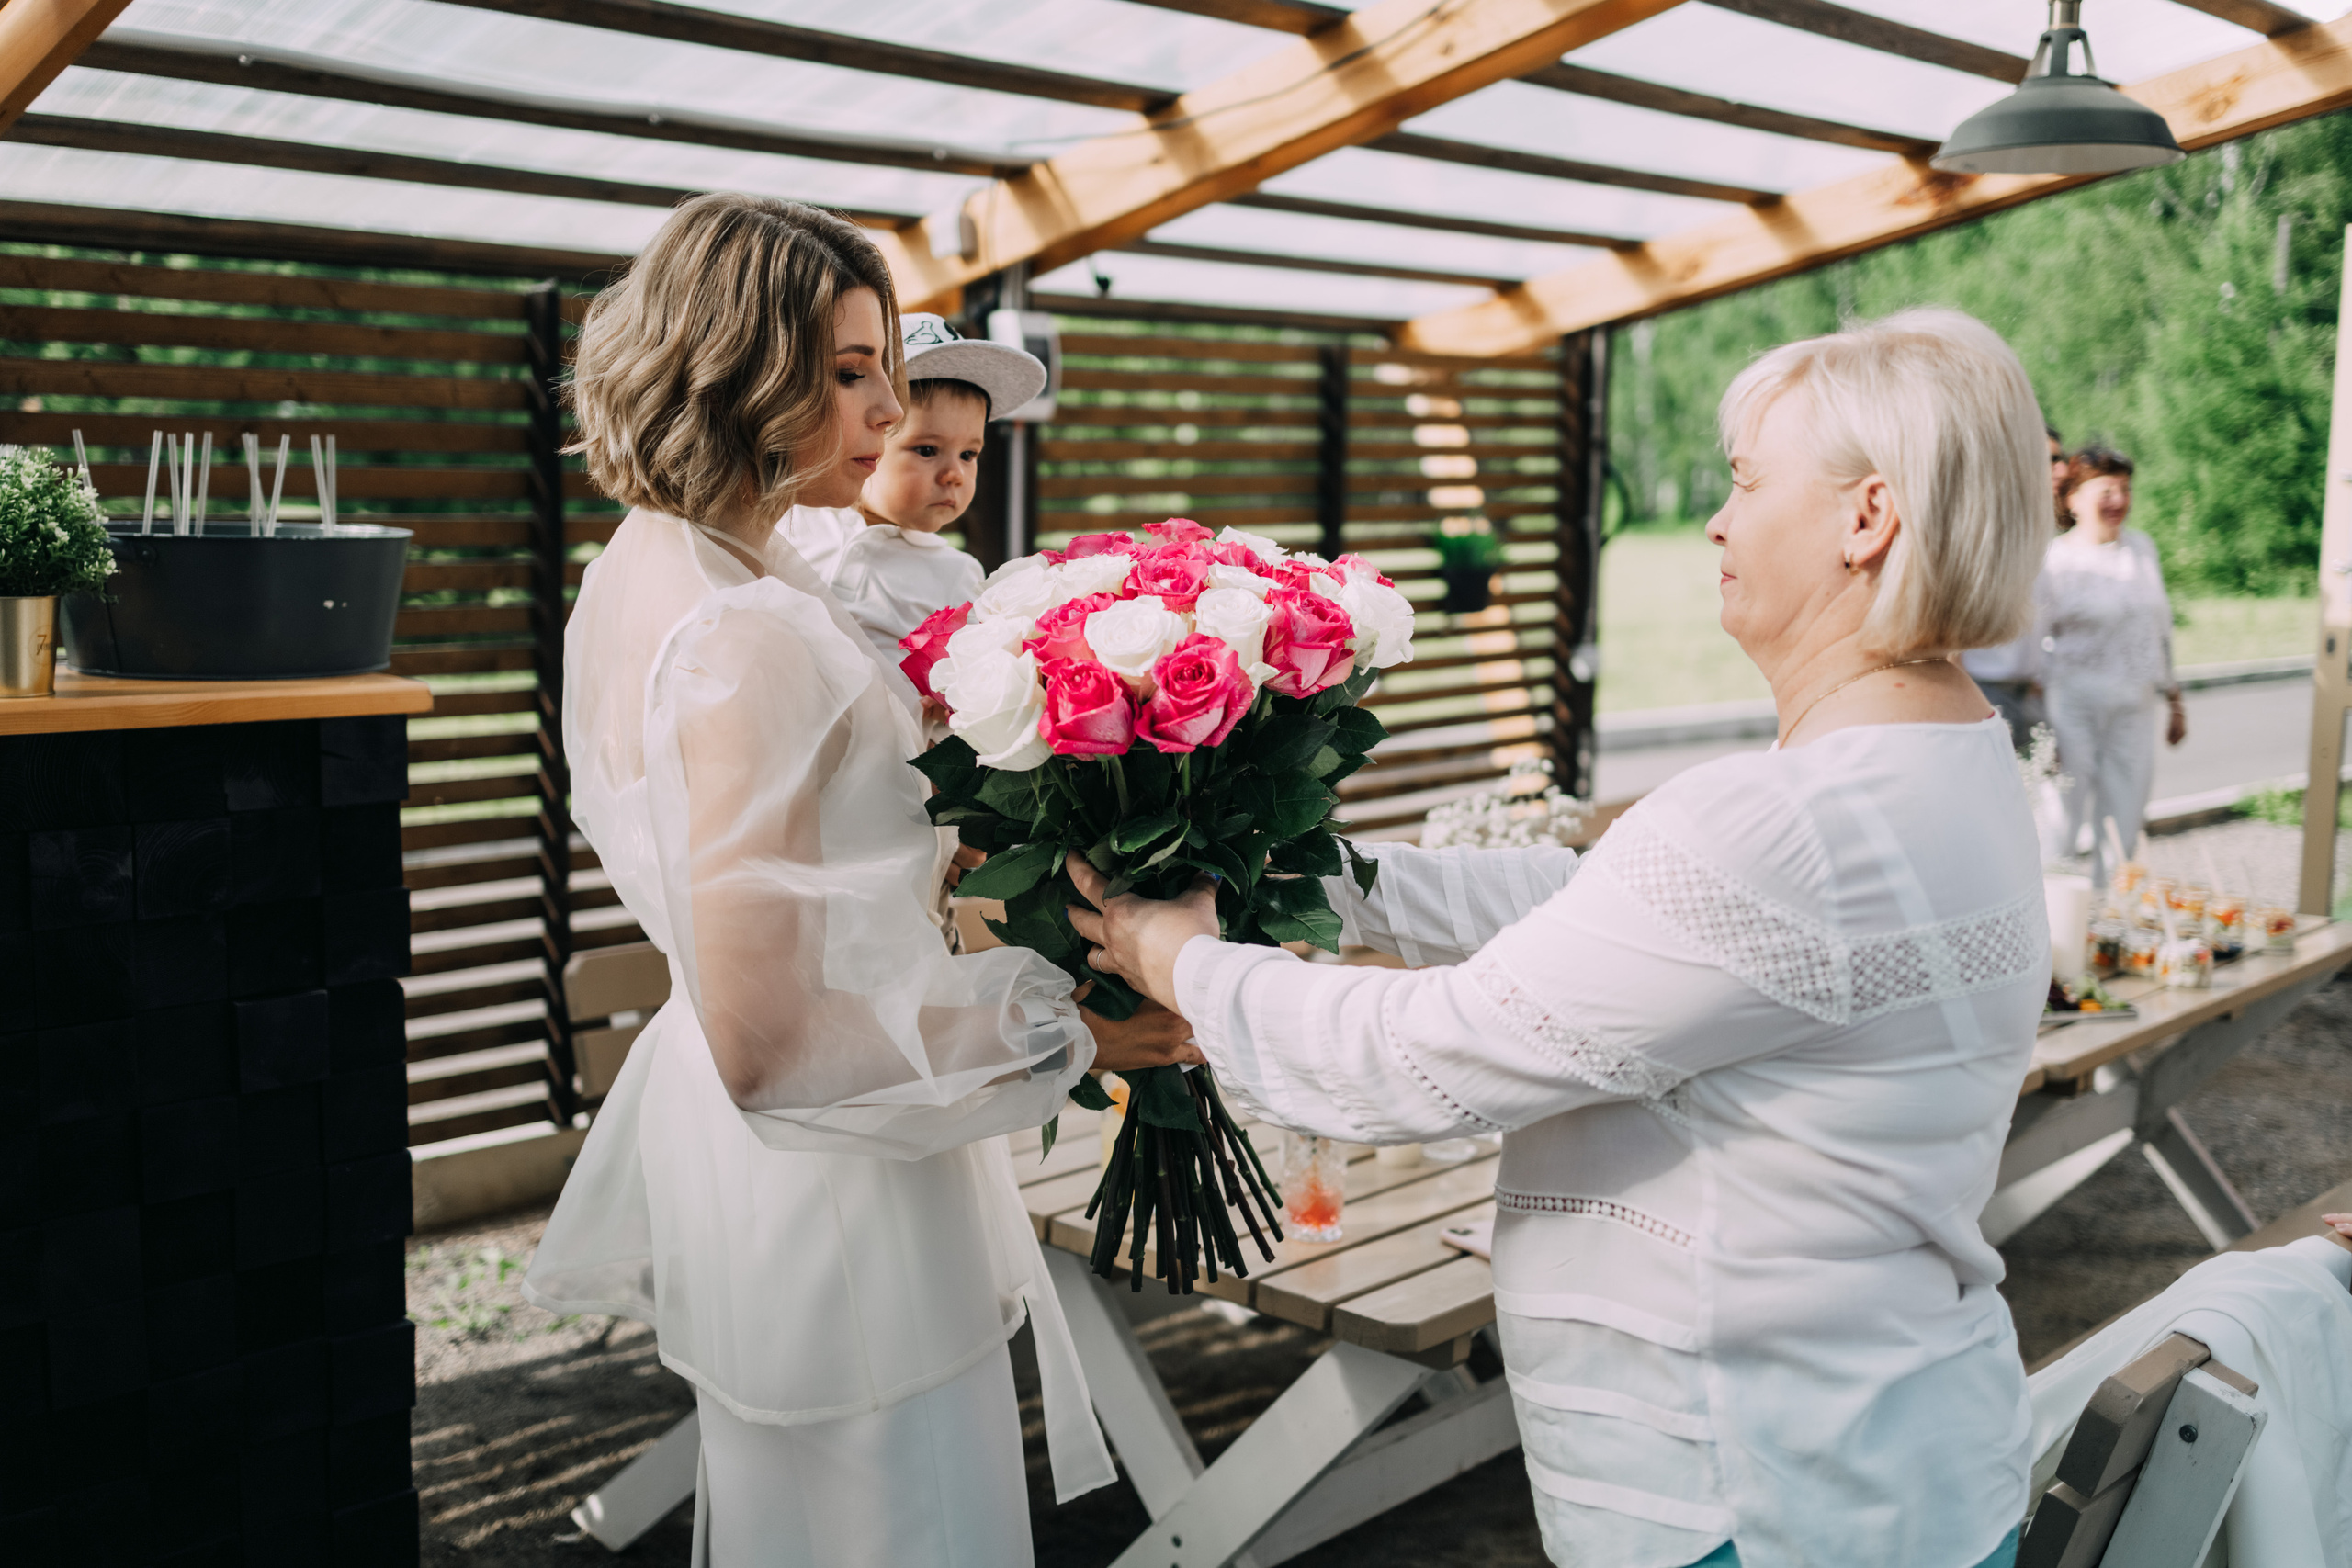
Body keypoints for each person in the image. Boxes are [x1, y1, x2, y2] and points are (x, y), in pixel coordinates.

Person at [1069, 309, 2052, 1568]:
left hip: (1758, 1490)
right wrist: (1323, 872)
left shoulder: (1783, 823)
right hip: (1907, 1464)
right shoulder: (1948, 763)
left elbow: (1422, 1057)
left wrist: (1178, 960)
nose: (1716, 520)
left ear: (1867, 520)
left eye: (1748, 482)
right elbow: (1605, 916)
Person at [519, 194, 1195, 1568]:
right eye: (846, 373)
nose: (890, 410)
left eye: (885, 364)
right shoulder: (745, 630)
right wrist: (1069, 1026)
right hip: (839, 1161)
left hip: (788, 1154)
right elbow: (771, 1035)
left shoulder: (652, 568)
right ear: (726, 365)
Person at [779, 312, 1041, 663]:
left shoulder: (959, 575)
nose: (954, 474)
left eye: (968, 454)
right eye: (927, 450)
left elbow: (964, 676)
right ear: (867, 440)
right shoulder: (794, 518)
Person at [2038, 446, 2185, 888]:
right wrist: (2042, 722)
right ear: (2073, 499)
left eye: (2125, 489)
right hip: (2073, 703)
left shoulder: (2141, 548)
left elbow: (2161, 626)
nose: (2119, 499)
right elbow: (2034, 644)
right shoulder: (2054, 559)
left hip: (2136, 702)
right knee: (2061, 812)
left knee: (2126, 811)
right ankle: (2051, 916)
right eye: (2107, 489)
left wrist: (2175, 699)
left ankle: (2109, 920)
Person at [1962, 421, 2067, 749]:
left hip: (2028, 689)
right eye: (2050, 459)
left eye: (2059, 459)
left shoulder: (2039, 528)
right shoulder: (1985, 526)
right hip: (1985, 689)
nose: (2062, 469)